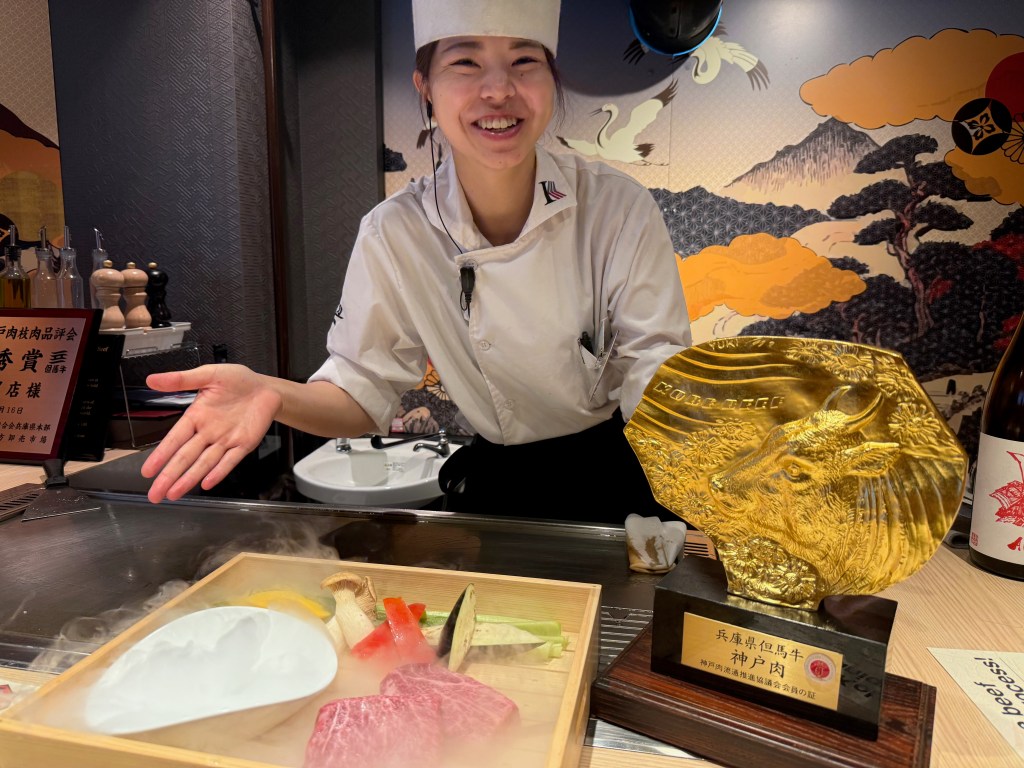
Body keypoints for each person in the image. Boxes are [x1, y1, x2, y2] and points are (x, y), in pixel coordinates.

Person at [142, 0, 692, 523]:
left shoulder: (616, 207)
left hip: (614, 481)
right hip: (498, 490)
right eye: (465, 62)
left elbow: (657, 367)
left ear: (551, 80)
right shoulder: (394, 231)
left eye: (525, 60)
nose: (498, 90)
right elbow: (360, 390)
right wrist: (271, 392)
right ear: (424, 87)